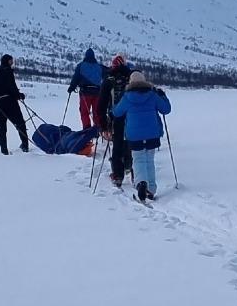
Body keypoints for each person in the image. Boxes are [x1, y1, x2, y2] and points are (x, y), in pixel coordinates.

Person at [110, 70, 171, 202]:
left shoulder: (127, 97)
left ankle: (141, 184)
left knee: (138, 161)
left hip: (134, 136)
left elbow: (117, 113)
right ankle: (151, 189)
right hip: (152, 135)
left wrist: (113, 108)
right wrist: (163, 96)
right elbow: (166, 109)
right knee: (149, 160)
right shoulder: (153, 95)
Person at [96, 54, 136, 188]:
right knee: (132, 142)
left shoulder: (108, 80)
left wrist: (102, 124)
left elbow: (101, 105)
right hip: (133, 116)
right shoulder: (132, 78)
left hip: (115, 116)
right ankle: (133, 169)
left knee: (117, 143)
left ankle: (118, 175)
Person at [0, 54, 29, 155]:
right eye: (11, 61)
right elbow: (11, 86)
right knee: (20, 123)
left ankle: (4, 150)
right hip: (9, 101)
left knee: (1, 127)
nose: (12, 63)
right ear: (7, 61)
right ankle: (25, 146)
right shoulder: (7, 71)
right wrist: (18, 95)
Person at [67, 48, 106, 130]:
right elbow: (107, 73)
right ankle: (98, 130)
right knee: (96, 112)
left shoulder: (81, 66)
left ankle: (87, 130)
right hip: (97, 93)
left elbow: (76, 78)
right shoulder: (99, 67)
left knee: (84, 112)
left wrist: (71, 87)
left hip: (85, 93)